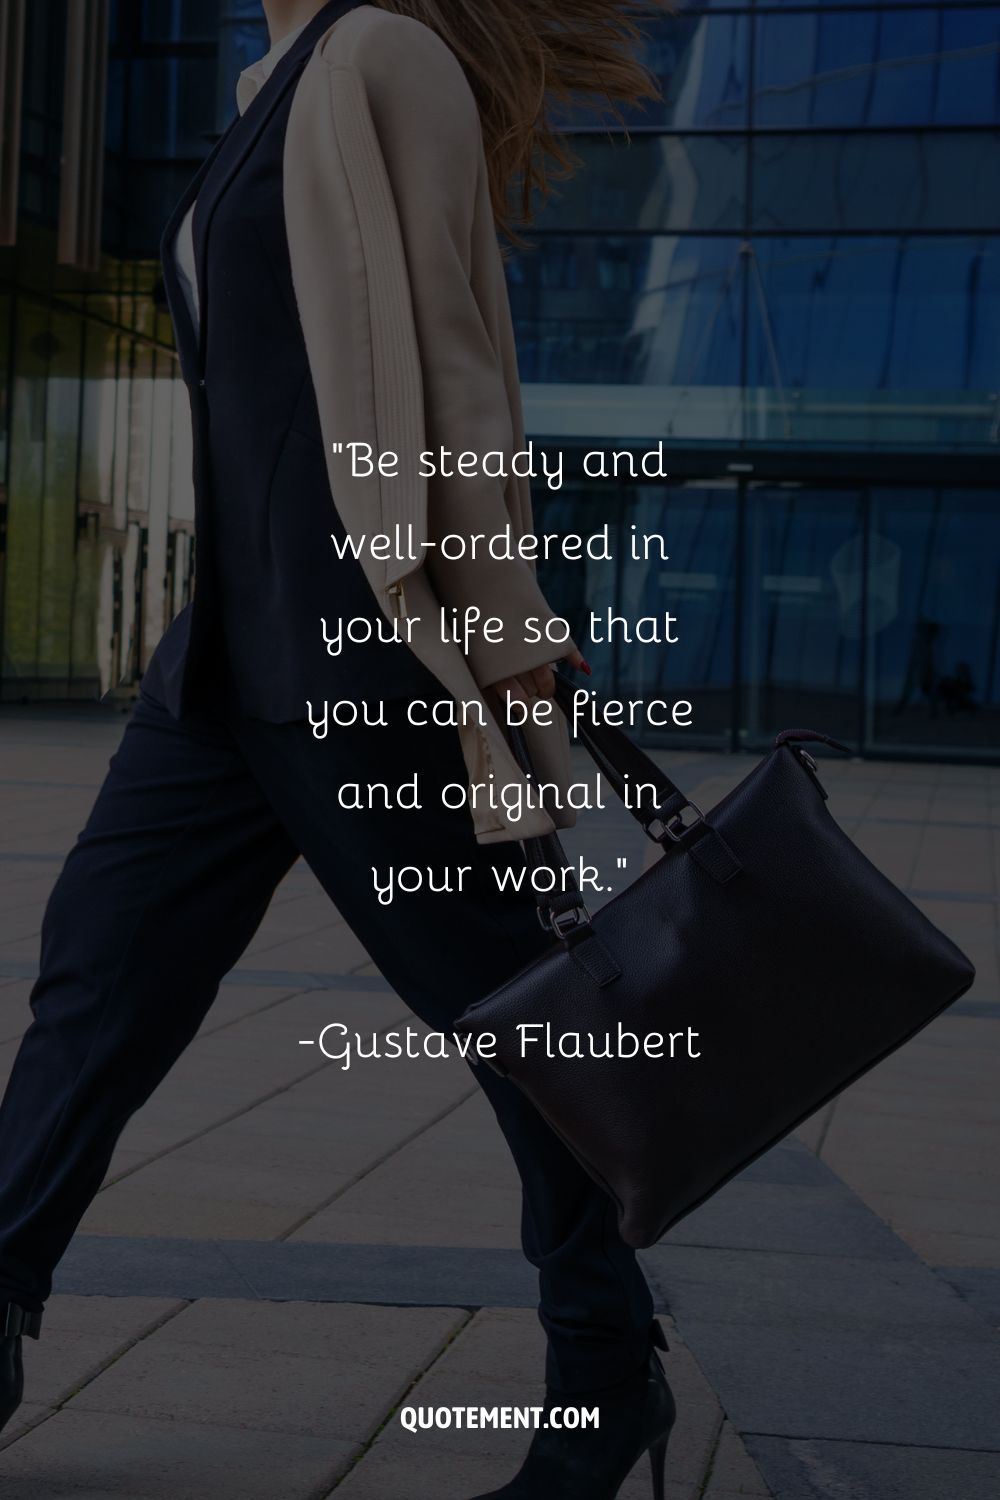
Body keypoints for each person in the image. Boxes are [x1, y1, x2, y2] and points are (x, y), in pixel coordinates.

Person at [0, 3, 674, 1494]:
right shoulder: (264, 87)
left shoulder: (381, 57)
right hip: (223, 669)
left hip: (359, 659)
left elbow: (453, 367)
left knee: (520, 1024)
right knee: (95, 980)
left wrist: (507, 648)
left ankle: (605, 1376)